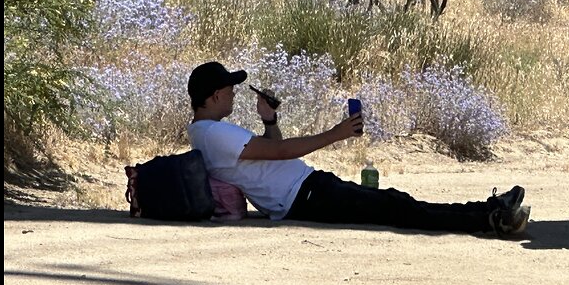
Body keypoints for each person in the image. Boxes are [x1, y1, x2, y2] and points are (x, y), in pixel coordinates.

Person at [185, 61, 530, 235]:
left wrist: (270, 121)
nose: (233, 93)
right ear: (215, 96)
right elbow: (281, 153)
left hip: (306, 191)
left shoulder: (207, 132)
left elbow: (272, 148)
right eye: (229, 89)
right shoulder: (216, 133)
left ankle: (489, 210)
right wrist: (337, 133)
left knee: (396, 204)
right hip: (303, 196)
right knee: (398, 208)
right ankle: (489, 218)